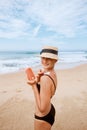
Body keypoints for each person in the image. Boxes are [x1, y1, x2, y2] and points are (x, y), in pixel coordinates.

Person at [27, 46, 58, 130]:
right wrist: (38, 80)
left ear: (55, 60)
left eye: (48, 58)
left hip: (43, 117)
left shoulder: (45, 78)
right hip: (50, 109)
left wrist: (34, 86)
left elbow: (42, 109)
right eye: (43, 58)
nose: (44, 61)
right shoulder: (52, 73)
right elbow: (48, 92)